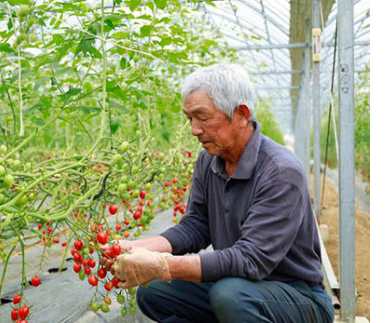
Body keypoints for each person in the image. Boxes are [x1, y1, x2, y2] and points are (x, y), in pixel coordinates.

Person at [102, 64, 334, 322]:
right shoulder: (208, 161)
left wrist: (162, 265)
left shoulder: (280, 171)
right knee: (153, 291)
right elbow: (196, 226)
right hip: (239, 285)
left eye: (202, 116)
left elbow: (250, 259)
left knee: (229, 296)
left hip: (297, 295)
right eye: (190, 118)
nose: (194, 129)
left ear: (241, 114)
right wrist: (135, 248)